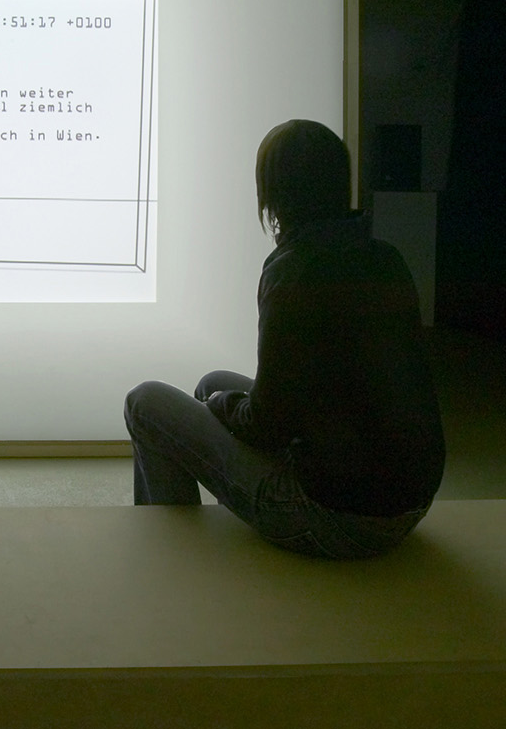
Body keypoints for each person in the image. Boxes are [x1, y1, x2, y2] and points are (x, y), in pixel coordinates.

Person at [123, 119, 445, 559]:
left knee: (145, 403)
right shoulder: (384, 257)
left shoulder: (294, 272)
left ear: (274, 192)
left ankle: (173, 554)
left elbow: (268, 424)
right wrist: (222, 400)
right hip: (407, 506)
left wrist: (220, 406)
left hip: (336, 518)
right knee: (212, 381)